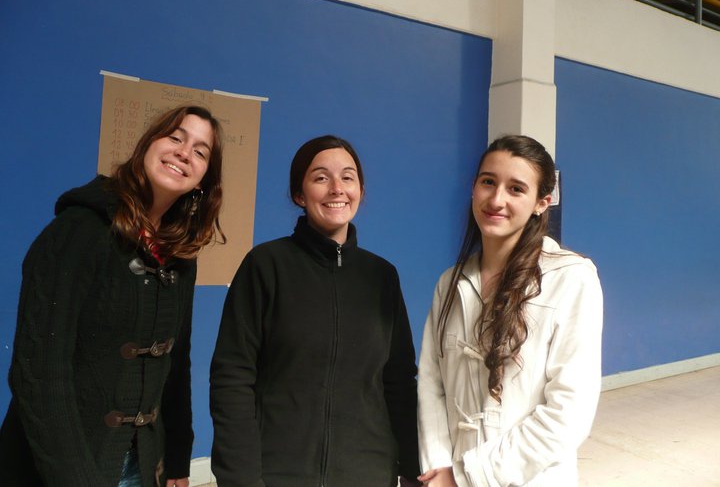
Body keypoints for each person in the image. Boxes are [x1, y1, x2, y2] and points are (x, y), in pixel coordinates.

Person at [0, 105, 225, 487]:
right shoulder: (77, 229)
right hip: (62, 468)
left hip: (141, 463)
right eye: (175, 137)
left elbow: (175, 363)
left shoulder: (180, 257)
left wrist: (176, 460)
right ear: (147, 146)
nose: (184, 152)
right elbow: (38, 372)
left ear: (203, 180)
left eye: (200, 152)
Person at [210, 135, 421, 487]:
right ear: (299, 194)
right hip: (278, 474)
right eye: (321, 177)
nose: (337, 188)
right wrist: (240, 479)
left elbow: (399, 381)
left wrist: (412, 469)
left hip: (367, 474)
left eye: (348, 177)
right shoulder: (265, 265)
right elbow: (232, 377)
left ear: (360, 191)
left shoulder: (382, 276)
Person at [417, 135, 603, 487]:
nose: (496, 199)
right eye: (488, 182)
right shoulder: (450, 283)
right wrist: (439, 470)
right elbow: (431, 384)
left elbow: (569, 411)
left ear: (541, 203)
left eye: (516, 189)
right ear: (473, 187)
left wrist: (468, 476)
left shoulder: (571, 278)